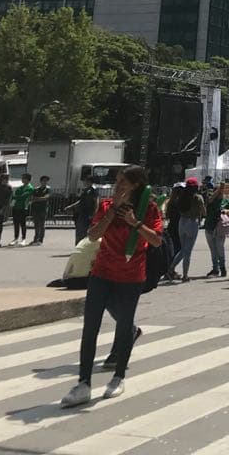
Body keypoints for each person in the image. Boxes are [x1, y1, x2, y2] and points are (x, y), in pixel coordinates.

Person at [59, 165, 163, 408]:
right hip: (102, 273)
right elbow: (93, 235)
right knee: (90, 326)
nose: (118, 186)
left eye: (123, 182)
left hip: (130, 275)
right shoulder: (107, 205)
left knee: (125, 325)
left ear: (136, 185)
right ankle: (83, 383)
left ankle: (118, 377)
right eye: (117, 181)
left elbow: (156, 240)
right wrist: (113, 211)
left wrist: (135, 223)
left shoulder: (148, 208)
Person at [167, 177, 205, 281]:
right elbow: (204, 211)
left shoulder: (181, 197)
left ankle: (171, 269)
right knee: (187, 251)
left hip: (182, 222)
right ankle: (185, 275)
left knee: (183, 249)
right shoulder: (198, 198)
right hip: (192, 223)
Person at [203, 184, 229, 277]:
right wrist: (220, 189)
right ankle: (215, 269)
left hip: (220, 228)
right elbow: (210, 200)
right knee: (213, 250)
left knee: (220, 248)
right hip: (209, 227)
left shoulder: (225, 201)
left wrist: (226, 211)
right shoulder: (211, 201)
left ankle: (222, 268)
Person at [65, 178, 99, 245]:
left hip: (88, 213)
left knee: (84, 231)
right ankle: (78, 245)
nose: (84, 182)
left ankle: (82, 246)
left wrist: (94, 213)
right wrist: (71, 206)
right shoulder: (85, 190)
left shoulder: (93, 190)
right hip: (82, 213)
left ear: (89, 182)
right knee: (80, 231)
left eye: (86, 181)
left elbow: (96, 202)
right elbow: (80, 201)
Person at [27, 174, 53, 245]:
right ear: (41, 181)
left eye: (46, 181)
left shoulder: (48, 189)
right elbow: (31, 198)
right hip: (35, 209)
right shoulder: (36, 189)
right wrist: (38, 199)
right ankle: (35, 239)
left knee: (42, 224)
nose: (45, 182)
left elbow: (46, 198)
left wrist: (37, 199)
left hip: (43, 208)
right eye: (43, 180)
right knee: (36, 224)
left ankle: (40, 239)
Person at [11, 172, 34, 246]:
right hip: (16, 207)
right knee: (16, 223)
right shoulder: (20, 187)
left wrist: (17, 197)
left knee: (23, 224)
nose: (22, 179)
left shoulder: (30, 188)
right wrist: (16, 197)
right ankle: (16, 238)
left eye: (23, 178)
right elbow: (14, 196)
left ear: (28, 179)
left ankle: (23, 239)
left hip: (23, 207)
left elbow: (23, 197)